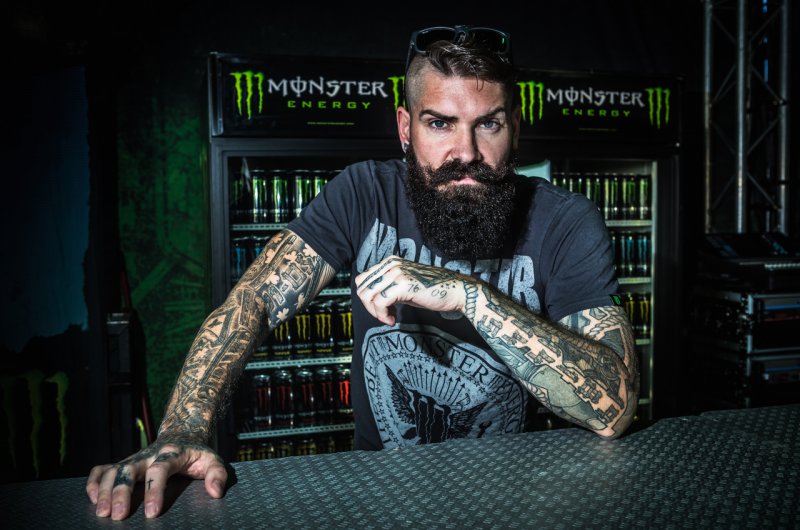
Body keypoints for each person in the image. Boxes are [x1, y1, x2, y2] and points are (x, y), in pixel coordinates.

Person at [87, 25, 638, 520]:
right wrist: (183, 429)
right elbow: (253, 302)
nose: (465, 152)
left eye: (487, 124)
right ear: (405, 127)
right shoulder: (363, 193)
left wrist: (471, 296)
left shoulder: (565, 222)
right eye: (439, 124)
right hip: (381, 494)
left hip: (517, 493)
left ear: (514, 127)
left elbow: (613, 407)